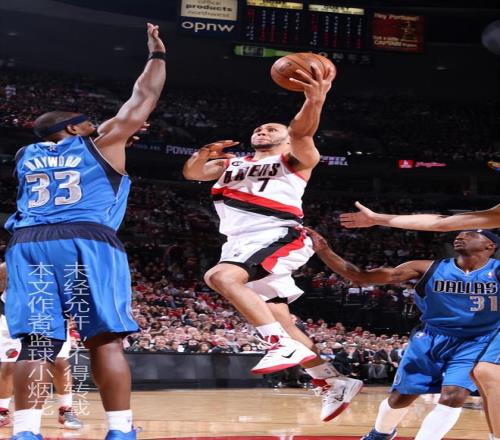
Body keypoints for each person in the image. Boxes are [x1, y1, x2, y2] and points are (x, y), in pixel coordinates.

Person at [4, 23, 166, 440]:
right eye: (92, 123)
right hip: (85, 240)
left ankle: (25, 432)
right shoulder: (102, 142)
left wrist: (114, 135)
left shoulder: (24, 154)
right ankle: (120, 430)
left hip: (29, 244)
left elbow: (78, 146)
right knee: (104, 340)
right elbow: (144, 97)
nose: (100, 125)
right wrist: (157, 54)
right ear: (76, 128)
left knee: (37, 344)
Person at [183, 64, 361, 422]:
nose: (262, 131)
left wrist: (314, 100)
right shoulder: (231, 162)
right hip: (238, 242)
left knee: (220, 277)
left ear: (286, 139)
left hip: (278, 233)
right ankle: (332, 380)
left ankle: (276, 346)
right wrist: (204, 152)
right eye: (258, 129)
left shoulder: (295, 158)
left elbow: (303, 131)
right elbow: (192, 173)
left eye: (271, 129)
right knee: (283, 320)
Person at [306, 227, 499, 440]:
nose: (461, 236)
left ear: (490, 246)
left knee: (454, 395)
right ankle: (381, 433)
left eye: (471, 234)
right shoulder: (427, 268)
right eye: (460, 233)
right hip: (429, 338)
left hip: (477, 341)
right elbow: (360, 276)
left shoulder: (496, 270)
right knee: (401, 398)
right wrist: (324, 250)